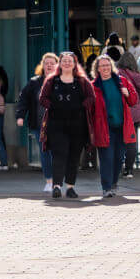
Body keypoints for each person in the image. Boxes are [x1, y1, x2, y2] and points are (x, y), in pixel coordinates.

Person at [41, 49, 95, 198]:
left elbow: (92, 97)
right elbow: (43, 98)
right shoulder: (52, 80)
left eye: (69, 61)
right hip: (56, 124)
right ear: (60, 63)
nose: (66, 63)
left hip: (78, 125)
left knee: (74, 156)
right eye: (64, 60)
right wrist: (52, 106)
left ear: (74, 64)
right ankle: (56, 186)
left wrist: (82, 105)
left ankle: (70, 187)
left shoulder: (83, 81)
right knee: (59, 154)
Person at [90, 54, 139, 198]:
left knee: (119, 158)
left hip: (121, 127)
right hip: (104, 128)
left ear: (111, 66)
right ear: (97, 69)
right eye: (102, 66)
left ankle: (113, 183)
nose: (105, 68)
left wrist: (127, 93)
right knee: (107, 158)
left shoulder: (122, 81)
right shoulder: (94, 86)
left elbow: (133, 100)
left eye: (107, 65)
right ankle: (106, 187)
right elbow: (89, 109)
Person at [16, 53, 58, 193]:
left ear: (57, 65)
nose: (49, 65)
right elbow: (23, 99)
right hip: (40, 125)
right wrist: (20, 116)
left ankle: (58, 181)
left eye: (52, 63)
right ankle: (49, 180)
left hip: (59, 125)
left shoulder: (61, 81)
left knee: (58, 153)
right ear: (42, 65)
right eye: (46, 63)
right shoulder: (34, 82)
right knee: (45, 152)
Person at [116, 50, 140, 177]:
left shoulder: (116, 74)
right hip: (135, 112)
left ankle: (118, 167)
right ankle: (129, 169)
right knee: (132, 140)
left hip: (119, 111)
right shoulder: (139, 76)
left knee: (119, 140)